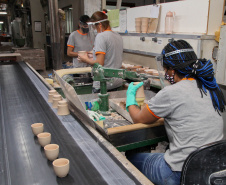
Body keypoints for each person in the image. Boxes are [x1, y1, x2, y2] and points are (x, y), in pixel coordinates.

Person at [125, 40, 225, 185]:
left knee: (131, 158)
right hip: (212, 169)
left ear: (172, 69)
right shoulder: (209, 86)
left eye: (166, 70)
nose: (166, 74)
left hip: (180, 173)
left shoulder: (171, 92)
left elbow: (138, 119)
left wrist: (130, 100)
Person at [78, 11, 123, 92]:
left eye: (95, 27)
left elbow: (99, 64)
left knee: (99, 104)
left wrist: (84, 59)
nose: (95, 30)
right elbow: (111, 54)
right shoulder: (118, 36)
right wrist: (93, 54)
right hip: (117, 81)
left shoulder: (101, 36)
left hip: (104, 83)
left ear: (100, 25)